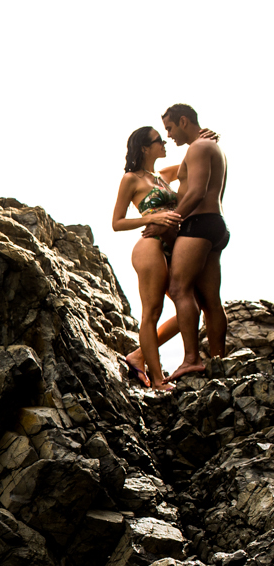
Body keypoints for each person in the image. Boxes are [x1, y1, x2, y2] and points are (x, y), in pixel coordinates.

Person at [158, 103, 229, 381]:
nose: (169, 135)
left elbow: (197, 192)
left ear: (184, 121)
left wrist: (172, 219)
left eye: (170, 128)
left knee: (178, 288)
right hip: (215, 226)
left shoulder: (198, 148)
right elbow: (165, 175)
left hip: (198, 225)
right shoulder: (208, 147)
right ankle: (218, 361)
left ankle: (191, 359)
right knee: (211, 300)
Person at [112, 126, 185, 390]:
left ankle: (138, 356)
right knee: (152, 312)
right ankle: (158, 380)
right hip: (150, 246)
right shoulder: (131, 179)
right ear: (145, 148)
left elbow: (193, 162)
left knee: (191, 308)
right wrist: (151, 217)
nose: (164, 144)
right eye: (159, 141)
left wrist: (203, 137)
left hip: (172, 246)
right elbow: (116, 222)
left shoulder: (162, 175)